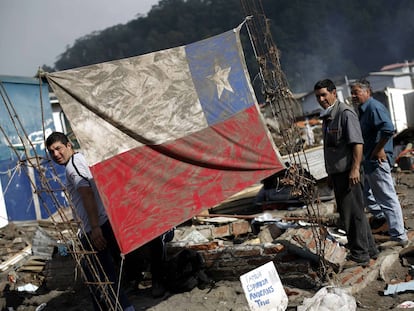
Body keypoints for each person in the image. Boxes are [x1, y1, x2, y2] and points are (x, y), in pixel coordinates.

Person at [46, 132, 135, 311]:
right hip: (96, 225)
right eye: (51, 152)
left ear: (69, 145)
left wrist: (95, 228)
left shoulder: (73, 166)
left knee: (102, 276)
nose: (55, 154)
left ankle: (125, 308)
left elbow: (87, 193)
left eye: (58, 148)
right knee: (97, 278)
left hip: (96, 228)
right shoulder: (79, 161)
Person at [314, 79, 378, 268]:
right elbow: (332, 149)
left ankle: (359, 255)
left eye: (324, 95)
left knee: (351, 215)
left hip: (349, 172)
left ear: (334, 93)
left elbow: (357, 144)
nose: (321, 99)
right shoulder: (327, 116)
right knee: (354, 212)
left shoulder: (344, 113)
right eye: (318, 96)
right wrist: (331, 175)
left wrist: (355, 168)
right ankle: (370, 250)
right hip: (338, 173)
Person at [350, 79, 408, 249]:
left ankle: (399, 236)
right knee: (368, 196)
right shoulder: (362, 110)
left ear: (367, 92)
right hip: (368, 161)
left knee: (387, 198)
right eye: (352, 92)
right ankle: (384, 221)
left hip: (377, 161)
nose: (353, 96)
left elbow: (388, 129)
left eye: (356, 92)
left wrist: (379, 149)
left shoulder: (373, 107)